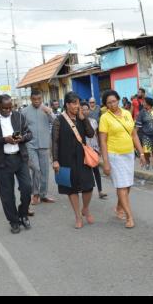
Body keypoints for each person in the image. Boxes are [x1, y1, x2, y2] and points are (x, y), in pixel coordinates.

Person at [0, 94, 33, 234]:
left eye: (10, 107)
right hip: (2, 161)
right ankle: (14, 221)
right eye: (5, 108)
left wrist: (21, 138)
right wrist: (4, 140)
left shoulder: (18, 116)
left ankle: (23, 213)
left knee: (27, 188)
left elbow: (29, 134)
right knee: (7, 193)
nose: (8, 111)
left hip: (20, 158)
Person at [99, 90, 146, 228]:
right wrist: (105, 162)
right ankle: (129, 217)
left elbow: (134, 135)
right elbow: (103, 141)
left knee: (128, 184)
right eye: (109, 103)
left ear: (118, 100)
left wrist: (142, 153)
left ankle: (119, 207)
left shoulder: (126, 113)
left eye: (114, 101)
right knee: (121, 185)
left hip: (129, 154)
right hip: (115, 155)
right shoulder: (105, 118)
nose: (112, 104)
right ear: (106, 105)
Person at [52, 92, 96, 229]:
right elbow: (54, 141)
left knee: (88, 186)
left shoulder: (81, 118)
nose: (78, 106)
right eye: (75, 103)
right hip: (66, 158)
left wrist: (84, 119)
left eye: (78, 103)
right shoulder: (59, 120)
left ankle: (86, 208)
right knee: (71, 189)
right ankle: (77, 215)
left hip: (82, 158)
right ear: (67, 105)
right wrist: (55, 160)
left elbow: (90, 133)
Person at [21, 89, 57, 206]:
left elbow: (56, 123)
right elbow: (20, 127)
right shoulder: (24, 112)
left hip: (45, 145)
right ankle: (35, 194)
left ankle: (43, 194)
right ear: (31, 99)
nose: (37, 101)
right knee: (36, 169)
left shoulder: (46, 110)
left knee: (45, 171)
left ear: (42, 99)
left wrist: (49, 112)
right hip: (30, 145)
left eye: (39, 99)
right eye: (34, 99)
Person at [81, 101, 108, 199]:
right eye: (82, 109)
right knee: (85, 172)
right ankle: (85, 191)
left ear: (89, 110)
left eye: (86, 109)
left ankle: (100, 191)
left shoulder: (94, 121)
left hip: (93, 149)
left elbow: (97, 135)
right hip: (83, 150)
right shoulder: (77, 122)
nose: (84, 111)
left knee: (96, 170)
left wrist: (99, 148)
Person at [136, 97, 153, 170]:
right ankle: (147, 162)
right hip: (146, 135)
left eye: (144, 102)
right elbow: (138, 124)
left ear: (148, 103)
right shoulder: (142, 112)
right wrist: (134, 134)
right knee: (146, 151)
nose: (142, 103)